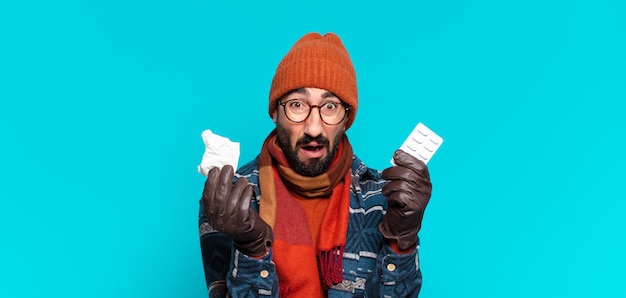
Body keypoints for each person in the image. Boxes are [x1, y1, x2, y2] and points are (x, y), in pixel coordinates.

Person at [198, 32, 433, 297]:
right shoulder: (231, 198)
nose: (313, 128)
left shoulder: (381, 198)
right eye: (297, 105)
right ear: (275, 111)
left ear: (346, 119)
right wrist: (253, 251)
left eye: (330, 106)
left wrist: (403, 240)